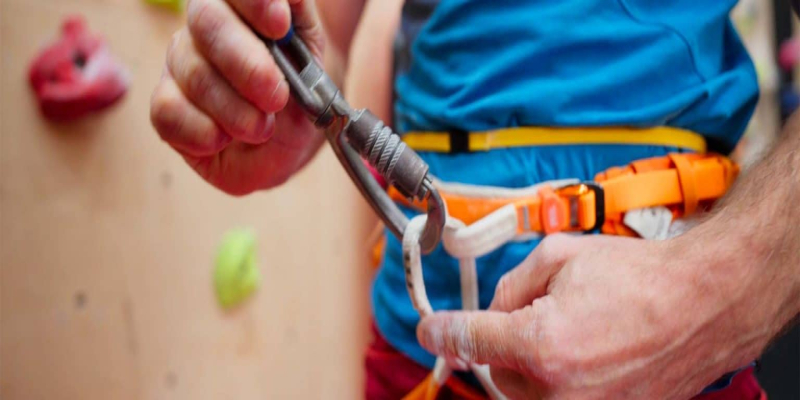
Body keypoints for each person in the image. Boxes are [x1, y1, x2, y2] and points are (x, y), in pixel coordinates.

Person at [149, 0, 797, 398]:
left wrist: (709, 296)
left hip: (668, 358)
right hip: (416, 352)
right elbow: (324, 35)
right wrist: (271, 82)